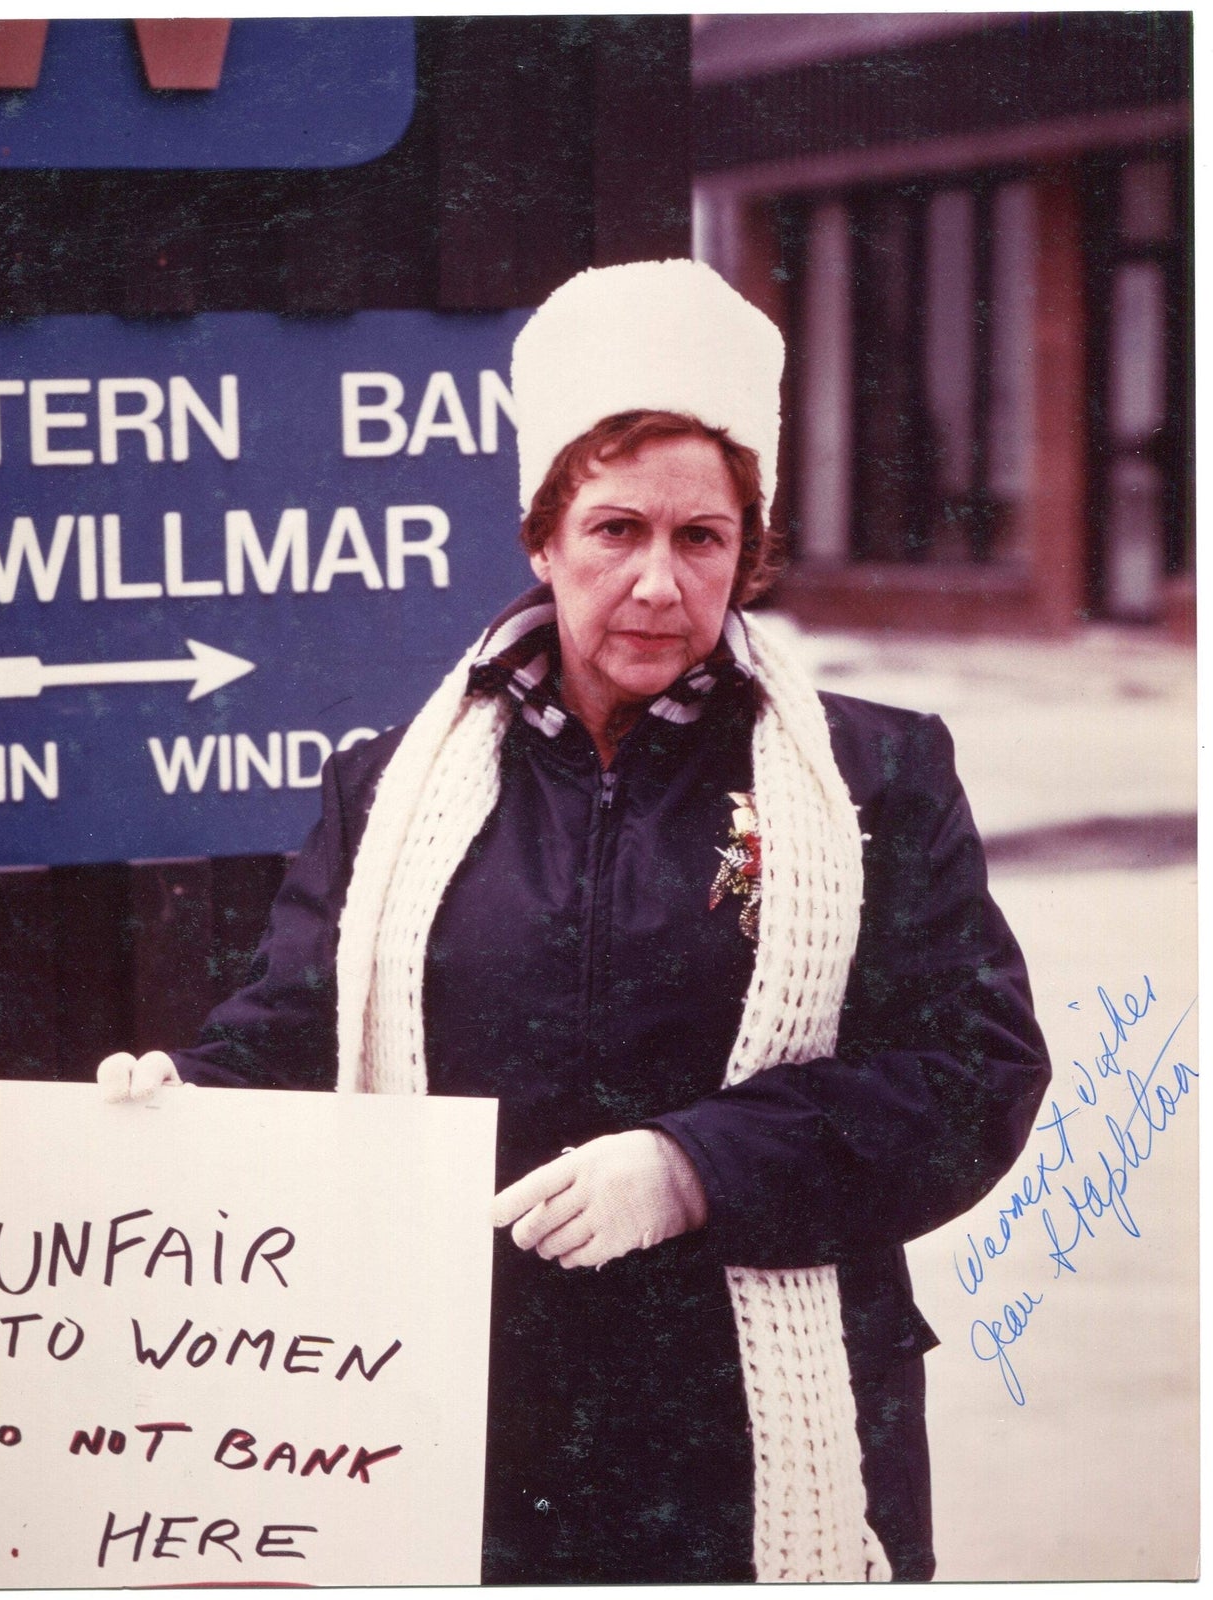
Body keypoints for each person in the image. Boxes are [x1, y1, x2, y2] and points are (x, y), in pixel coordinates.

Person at [99, 259, 1051, 1584]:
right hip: (475, 1425)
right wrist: (181, 1102)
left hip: (760, 1435)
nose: (658, 582)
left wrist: (693, 1168)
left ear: (748, 550)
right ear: (544, 538)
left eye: (701, 537)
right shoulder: (387, 787)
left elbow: (970, 1078)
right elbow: (295, 1034)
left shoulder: (874, 778)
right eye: (615, 530)